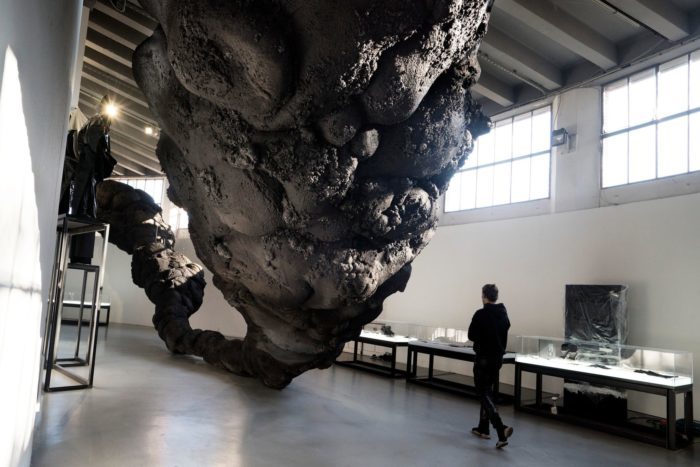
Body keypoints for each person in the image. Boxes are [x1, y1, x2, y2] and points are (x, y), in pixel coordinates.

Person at [468, 283, 513, 448]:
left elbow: (471, 335)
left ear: (484, 296)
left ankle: (501, 429)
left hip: (483, 359)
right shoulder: (503, 313)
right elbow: (505, 329)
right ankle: (483, 428)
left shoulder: (481, 314)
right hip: (497, 360)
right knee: (487, 393)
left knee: (483, 393)